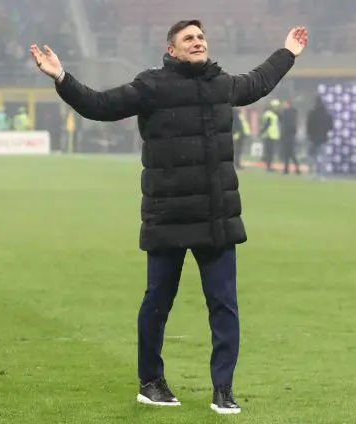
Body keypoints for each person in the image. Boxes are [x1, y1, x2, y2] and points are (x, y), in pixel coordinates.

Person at [30, 20, 308, 415]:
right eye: (188, 39)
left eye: (200, 37)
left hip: (216, 218)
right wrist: (61, 76)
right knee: (157, 303)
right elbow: (101, 105)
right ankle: (151, 382)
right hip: (169, 217)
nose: (197, 42)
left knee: (224, 306)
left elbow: (258, 82)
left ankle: (223, 389)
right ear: (172, 50)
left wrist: (287, 54)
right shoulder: (151, 86)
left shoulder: (221, 84)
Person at [306, 95, 333, 180]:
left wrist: (309, 134)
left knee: (311, 156)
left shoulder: (312, 113)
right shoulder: (326, 114)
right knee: (322, 157)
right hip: (323, 138)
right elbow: (330, 126)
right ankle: (321, 175)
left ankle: (311, 172)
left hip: (312, 138)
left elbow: (308, 125)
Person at [280, 100, 301, 175]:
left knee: (289, 153)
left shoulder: (288, 113)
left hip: (288, 135)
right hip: (290, 135)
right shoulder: (292, 113)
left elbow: (286, 125)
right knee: (290, 153)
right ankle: (293, 169)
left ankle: (288, 169)